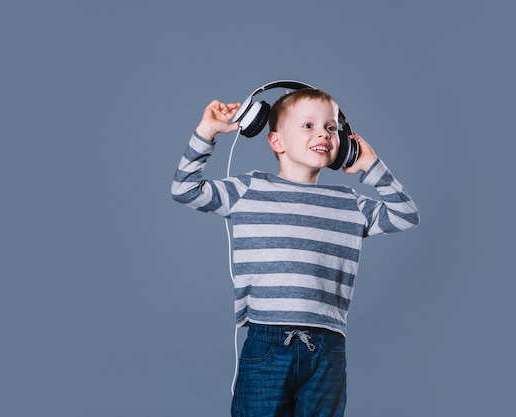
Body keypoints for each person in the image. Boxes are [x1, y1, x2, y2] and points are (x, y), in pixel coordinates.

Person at [171, 87, 419, 417]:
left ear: (341, 144)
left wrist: (371, 164)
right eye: (309, 126)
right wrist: (207, 131)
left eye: (331, 128)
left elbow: (405, 214)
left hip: (327, 348)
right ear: (276, 141)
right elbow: (184, 189)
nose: (324, 134)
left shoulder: (348, 204)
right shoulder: (249, 190)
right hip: (266, 343)